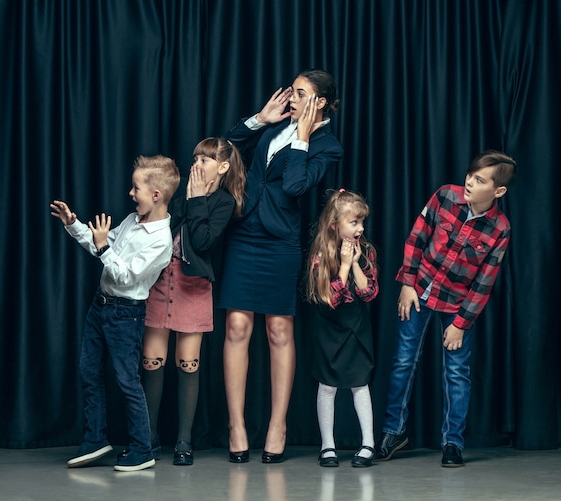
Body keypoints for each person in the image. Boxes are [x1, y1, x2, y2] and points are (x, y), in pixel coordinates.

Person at [218, 69, 343, 463]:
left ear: (319, 102)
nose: (291, 98)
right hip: (243, 233)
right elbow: (224, 149)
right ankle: (235, 425)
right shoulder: (275, 128)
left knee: (277, 330)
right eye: (292, 91)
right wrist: (260, 120)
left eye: (300, 93)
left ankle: (278, 425)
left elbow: (293, 187)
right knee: (237, 325)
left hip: (279, 241)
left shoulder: (327, 145)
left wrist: (303, 139)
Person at [376, 150, 517, 467]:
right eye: (471, 174)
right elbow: (417, 237)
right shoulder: (445, 196)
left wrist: (461, 323)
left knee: (457, 373)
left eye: (480, 180)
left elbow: (485, 281)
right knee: (403, 361)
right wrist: (408, 283)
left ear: (498, 191)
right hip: (419, 291)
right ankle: (393, 432)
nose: (470, 181)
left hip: (457, 306)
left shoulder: (500, 229)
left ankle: (453, 442)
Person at [50, 155, 180, 472]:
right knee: (89, 373)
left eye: (136, 188)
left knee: (126, 381)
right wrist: (73, 224)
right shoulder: (133, 221)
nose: (131, 193)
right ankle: (95, 438)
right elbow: (101, 246)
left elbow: (127, 275)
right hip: (101, 307)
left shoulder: (161, 241)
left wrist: (104, 247)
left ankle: (142, 449)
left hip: (126, 316)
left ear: (156, 195)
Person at [132, 138, 245, 467]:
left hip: (193, 286)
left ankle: (184, 440)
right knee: (152, 360)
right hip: (161, 281)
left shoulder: (224, 202)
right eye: (195, 158)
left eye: (205, 159)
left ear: (222, 167)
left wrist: (196, 200)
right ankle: (147, 438)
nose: (196, 164)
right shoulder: (182, 195)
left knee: (187, 363)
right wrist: (187, 198)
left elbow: (202, 240)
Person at [306, 189, 379, 468]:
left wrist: (356, 262)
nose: (360, 228)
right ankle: (328, 446)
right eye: (354, 222)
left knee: (360, 384)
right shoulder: (321, 253)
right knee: (328, 386)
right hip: (329, 329)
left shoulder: (367, 251)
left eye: (362, 222)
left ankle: (368, 444)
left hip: (356, 329)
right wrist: (345, 265)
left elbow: (370, 293)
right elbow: (330, 298)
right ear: (335, 224)